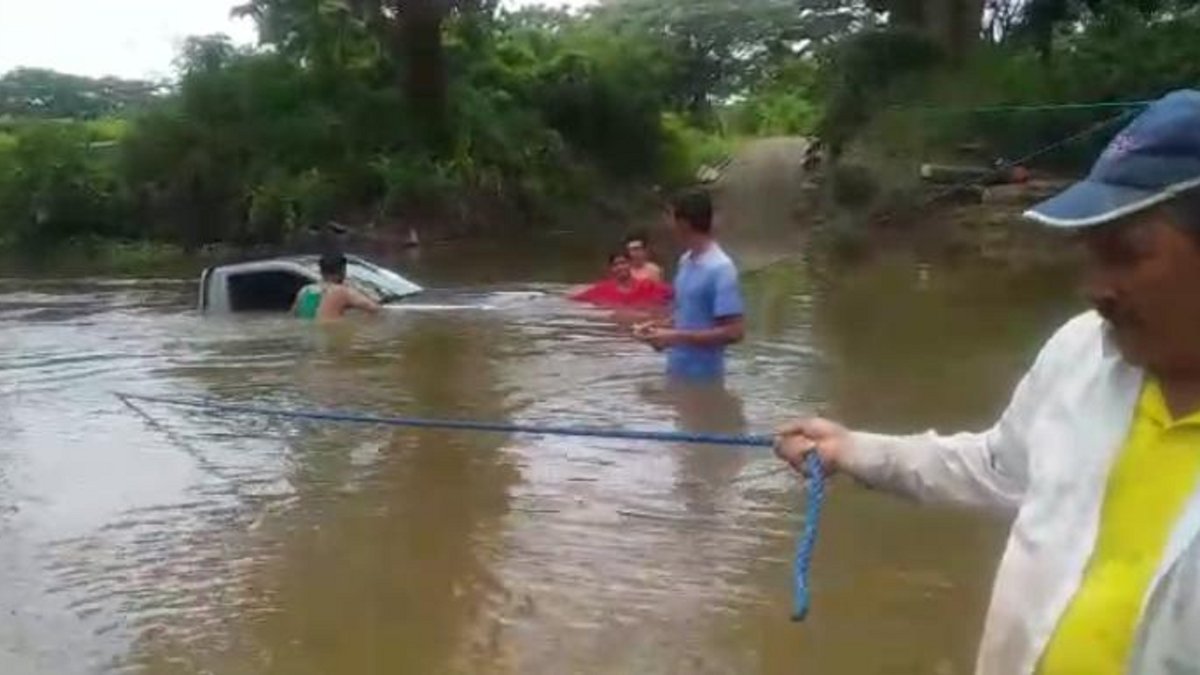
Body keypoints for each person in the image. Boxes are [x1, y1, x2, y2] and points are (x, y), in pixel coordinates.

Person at [774, 89, 1200, 675]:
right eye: (1090, 255)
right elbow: (997, 468)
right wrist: (856, 451)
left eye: (1126, 254)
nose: (1095, 288)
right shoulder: (1082, 353)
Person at [635, 189, 745, 381]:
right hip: (676, 372)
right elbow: (688, 314)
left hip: (704, 380)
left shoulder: (721, 268)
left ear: (683, 223)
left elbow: (734, 332)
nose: (666, 223)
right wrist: (658, 328)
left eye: (669, 216)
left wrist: (673, 337)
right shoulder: (686, 261)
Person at [293, 251, 381, 321]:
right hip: (327, 339)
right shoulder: (341, 291)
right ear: (342, 270)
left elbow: (295, 316)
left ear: (321, 270)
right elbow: (374, 308)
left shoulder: (304, 290)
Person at [569, 250, 672, 308]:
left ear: (630, 264)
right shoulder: (602, 289)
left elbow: (677, 294)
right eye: (615, 265)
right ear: (611, 269)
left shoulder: (647, 286)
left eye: (623, 263)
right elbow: (572, 300)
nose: (620, 267)